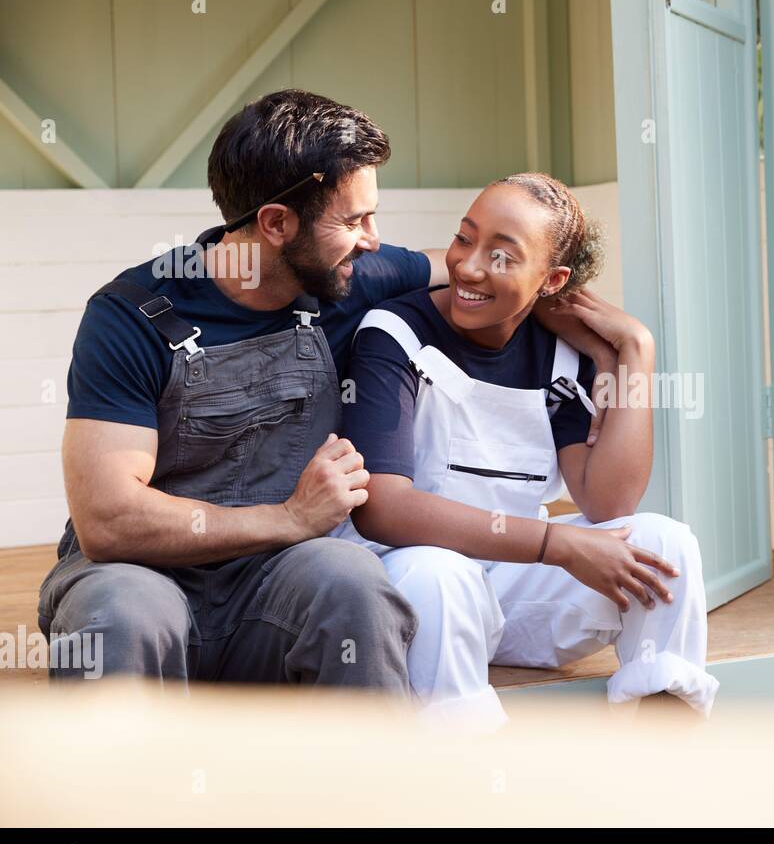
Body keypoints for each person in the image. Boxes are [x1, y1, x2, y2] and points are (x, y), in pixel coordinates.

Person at [37, 90, 602, 693]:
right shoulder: (133, 316)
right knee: (118, 614)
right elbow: (109, 520)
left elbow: (474, 273)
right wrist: (287, 517)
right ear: (276, 223)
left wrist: (577, 309)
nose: (373, 240)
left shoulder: (353, 277)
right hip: (143, 575)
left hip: (274, 585)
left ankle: (367, 784)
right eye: (354, 220)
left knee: (352, 581)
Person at [335, 172, 718, 728]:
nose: (468, 266)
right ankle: (464, 759)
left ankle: (663, 732)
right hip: (413, 585)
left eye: (503, 256)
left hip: (511, 586)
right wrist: (554, 543)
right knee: (440, 573)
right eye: (465, 239)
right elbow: (384, 509)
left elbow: (610, 501)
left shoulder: (560, 357)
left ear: (552, 279)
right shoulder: (396, 333)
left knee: (666, 542)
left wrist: (636, 350)